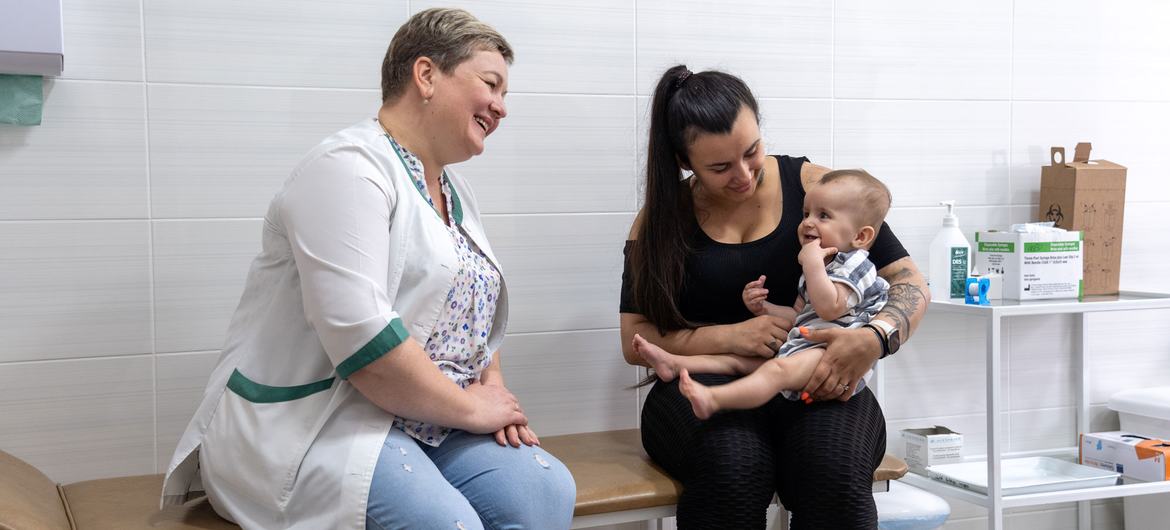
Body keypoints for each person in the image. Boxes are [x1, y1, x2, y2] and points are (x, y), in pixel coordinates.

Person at [161, 9, 576, 530]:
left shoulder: (452, 189)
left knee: (542, 489)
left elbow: (474, 314)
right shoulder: (345, 169)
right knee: (447, 523)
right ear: (426, 75)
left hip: (428, 418)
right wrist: (475, 412)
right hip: (322, 422)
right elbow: (364, 343)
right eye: (491, 84)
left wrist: (497, 394)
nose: (501, 107)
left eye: (505, 93)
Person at [620, 65, 930, 529]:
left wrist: (873, 338)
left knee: (833, 471)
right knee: (734, 469)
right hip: (703, 384)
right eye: (720, 167)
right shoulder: (660, 220)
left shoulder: (818, 191)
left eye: (752, 151)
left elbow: (910, 284)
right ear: (686, 162)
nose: (743, 174)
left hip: (814, 378)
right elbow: (633, 339)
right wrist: (733, 336)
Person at [633, 169, 894, 419]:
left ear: (861, 236)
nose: (807, 223)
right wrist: (764, 308)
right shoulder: (820, 268)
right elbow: (797, 315)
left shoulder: (858, 265)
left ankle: (714, 399)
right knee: (738, 362)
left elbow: (830, 307)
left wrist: (811, 264)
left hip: (830, 356)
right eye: (805, 213)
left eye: (823, 216)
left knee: (775, 371)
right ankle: (674, 363)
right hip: (805, 348)